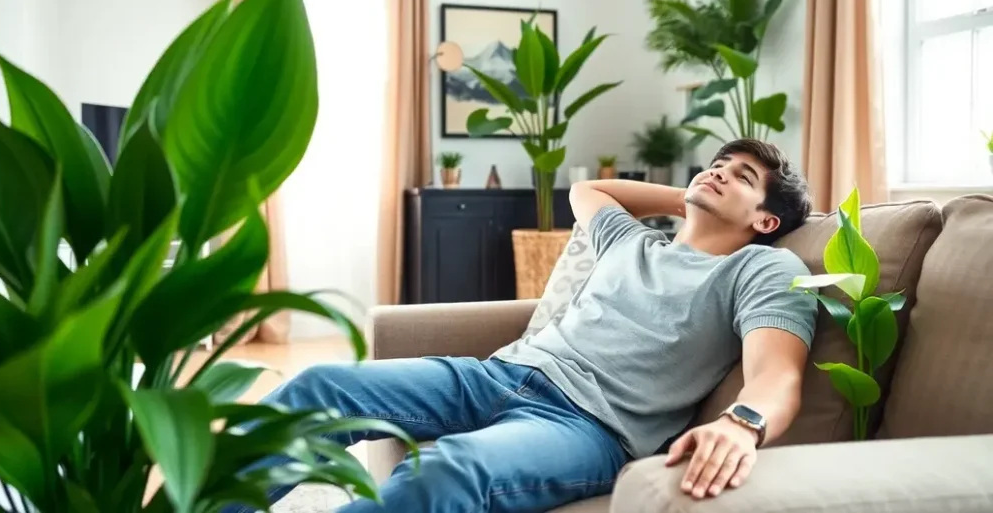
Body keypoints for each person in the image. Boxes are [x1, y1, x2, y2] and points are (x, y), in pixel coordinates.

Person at [227, 139, 817, 513]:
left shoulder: (762, 265)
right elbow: (588, 190)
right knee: (319, 388)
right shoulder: (632, 240)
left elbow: (776, 374)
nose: (717, 172)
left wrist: (743, 424)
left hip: (588, 426)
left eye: (742, 176)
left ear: (767, 220)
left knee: (442, 472)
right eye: (715, 164)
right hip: (498, 374)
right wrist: (697, 194)